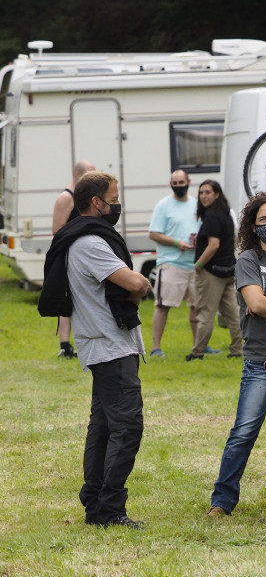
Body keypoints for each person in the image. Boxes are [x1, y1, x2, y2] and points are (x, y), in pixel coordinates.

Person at [39, 170, 153, 528]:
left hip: (106, 344)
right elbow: (135, 282)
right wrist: (142, 286)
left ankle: (96, 504)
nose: (117, 204)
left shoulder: (84, 238)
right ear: (96, 202)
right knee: (127, 426)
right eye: (114, 198)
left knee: (104, 426)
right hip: (109, 346)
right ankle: (109, 509)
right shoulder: (89, 242)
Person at [207, 193, 266, 517]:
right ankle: (222, 500)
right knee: (245, 430)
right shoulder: (247, 259)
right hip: (260, 356)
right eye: (263, 220)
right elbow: (256, 304)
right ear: (252, 226)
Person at [186, 179, 242, 361]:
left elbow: (213, 245)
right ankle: (237, 350)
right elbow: (233, 241)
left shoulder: (211, 216)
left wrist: (198, 265)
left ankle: (197, 352)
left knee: (205, 313)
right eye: (201, 193)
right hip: (228, 270)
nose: (203, 196)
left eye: (208, 192)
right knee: (233, 314)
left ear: (217, 194)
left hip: (211, 273)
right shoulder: (225, 214)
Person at [148, 169, 200, 357]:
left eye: (181, 182)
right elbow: (154, 233)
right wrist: (177, 243)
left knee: (196, 307)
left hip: (194, 265)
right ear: (171, 183)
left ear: (189, 181)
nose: (179, 186)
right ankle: (156, 347)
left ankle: (198, 347)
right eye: (175, 183)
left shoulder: (197, 204)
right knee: (163, 305)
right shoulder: (163, 205)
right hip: (170, 263)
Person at [51, 159, 96, 358]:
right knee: (67, 300)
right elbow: (57, 230)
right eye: (90, 174)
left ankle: (84, 341)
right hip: (68, 255)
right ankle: (65, 345)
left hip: (83, 255)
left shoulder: (82, 198)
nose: (94, 178)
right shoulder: (65, 198)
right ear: (78, 175)